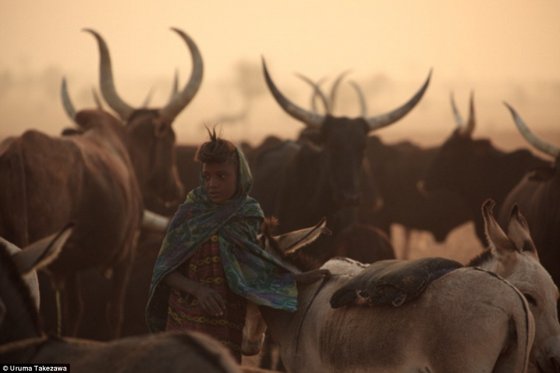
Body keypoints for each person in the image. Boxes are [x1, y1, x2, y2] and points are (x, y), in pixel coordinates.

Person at [145, 129, 298, 361]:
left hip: (228, 328)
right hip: (184, 322)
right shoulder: (190, 212)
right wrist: (198, 290)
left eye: (221, 176)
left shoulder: (250, 215)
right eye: (207, 176)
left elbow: (257, 271)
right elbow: (164, 271)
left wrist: (297, 278)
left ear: (241, 176)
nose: (212, 184)